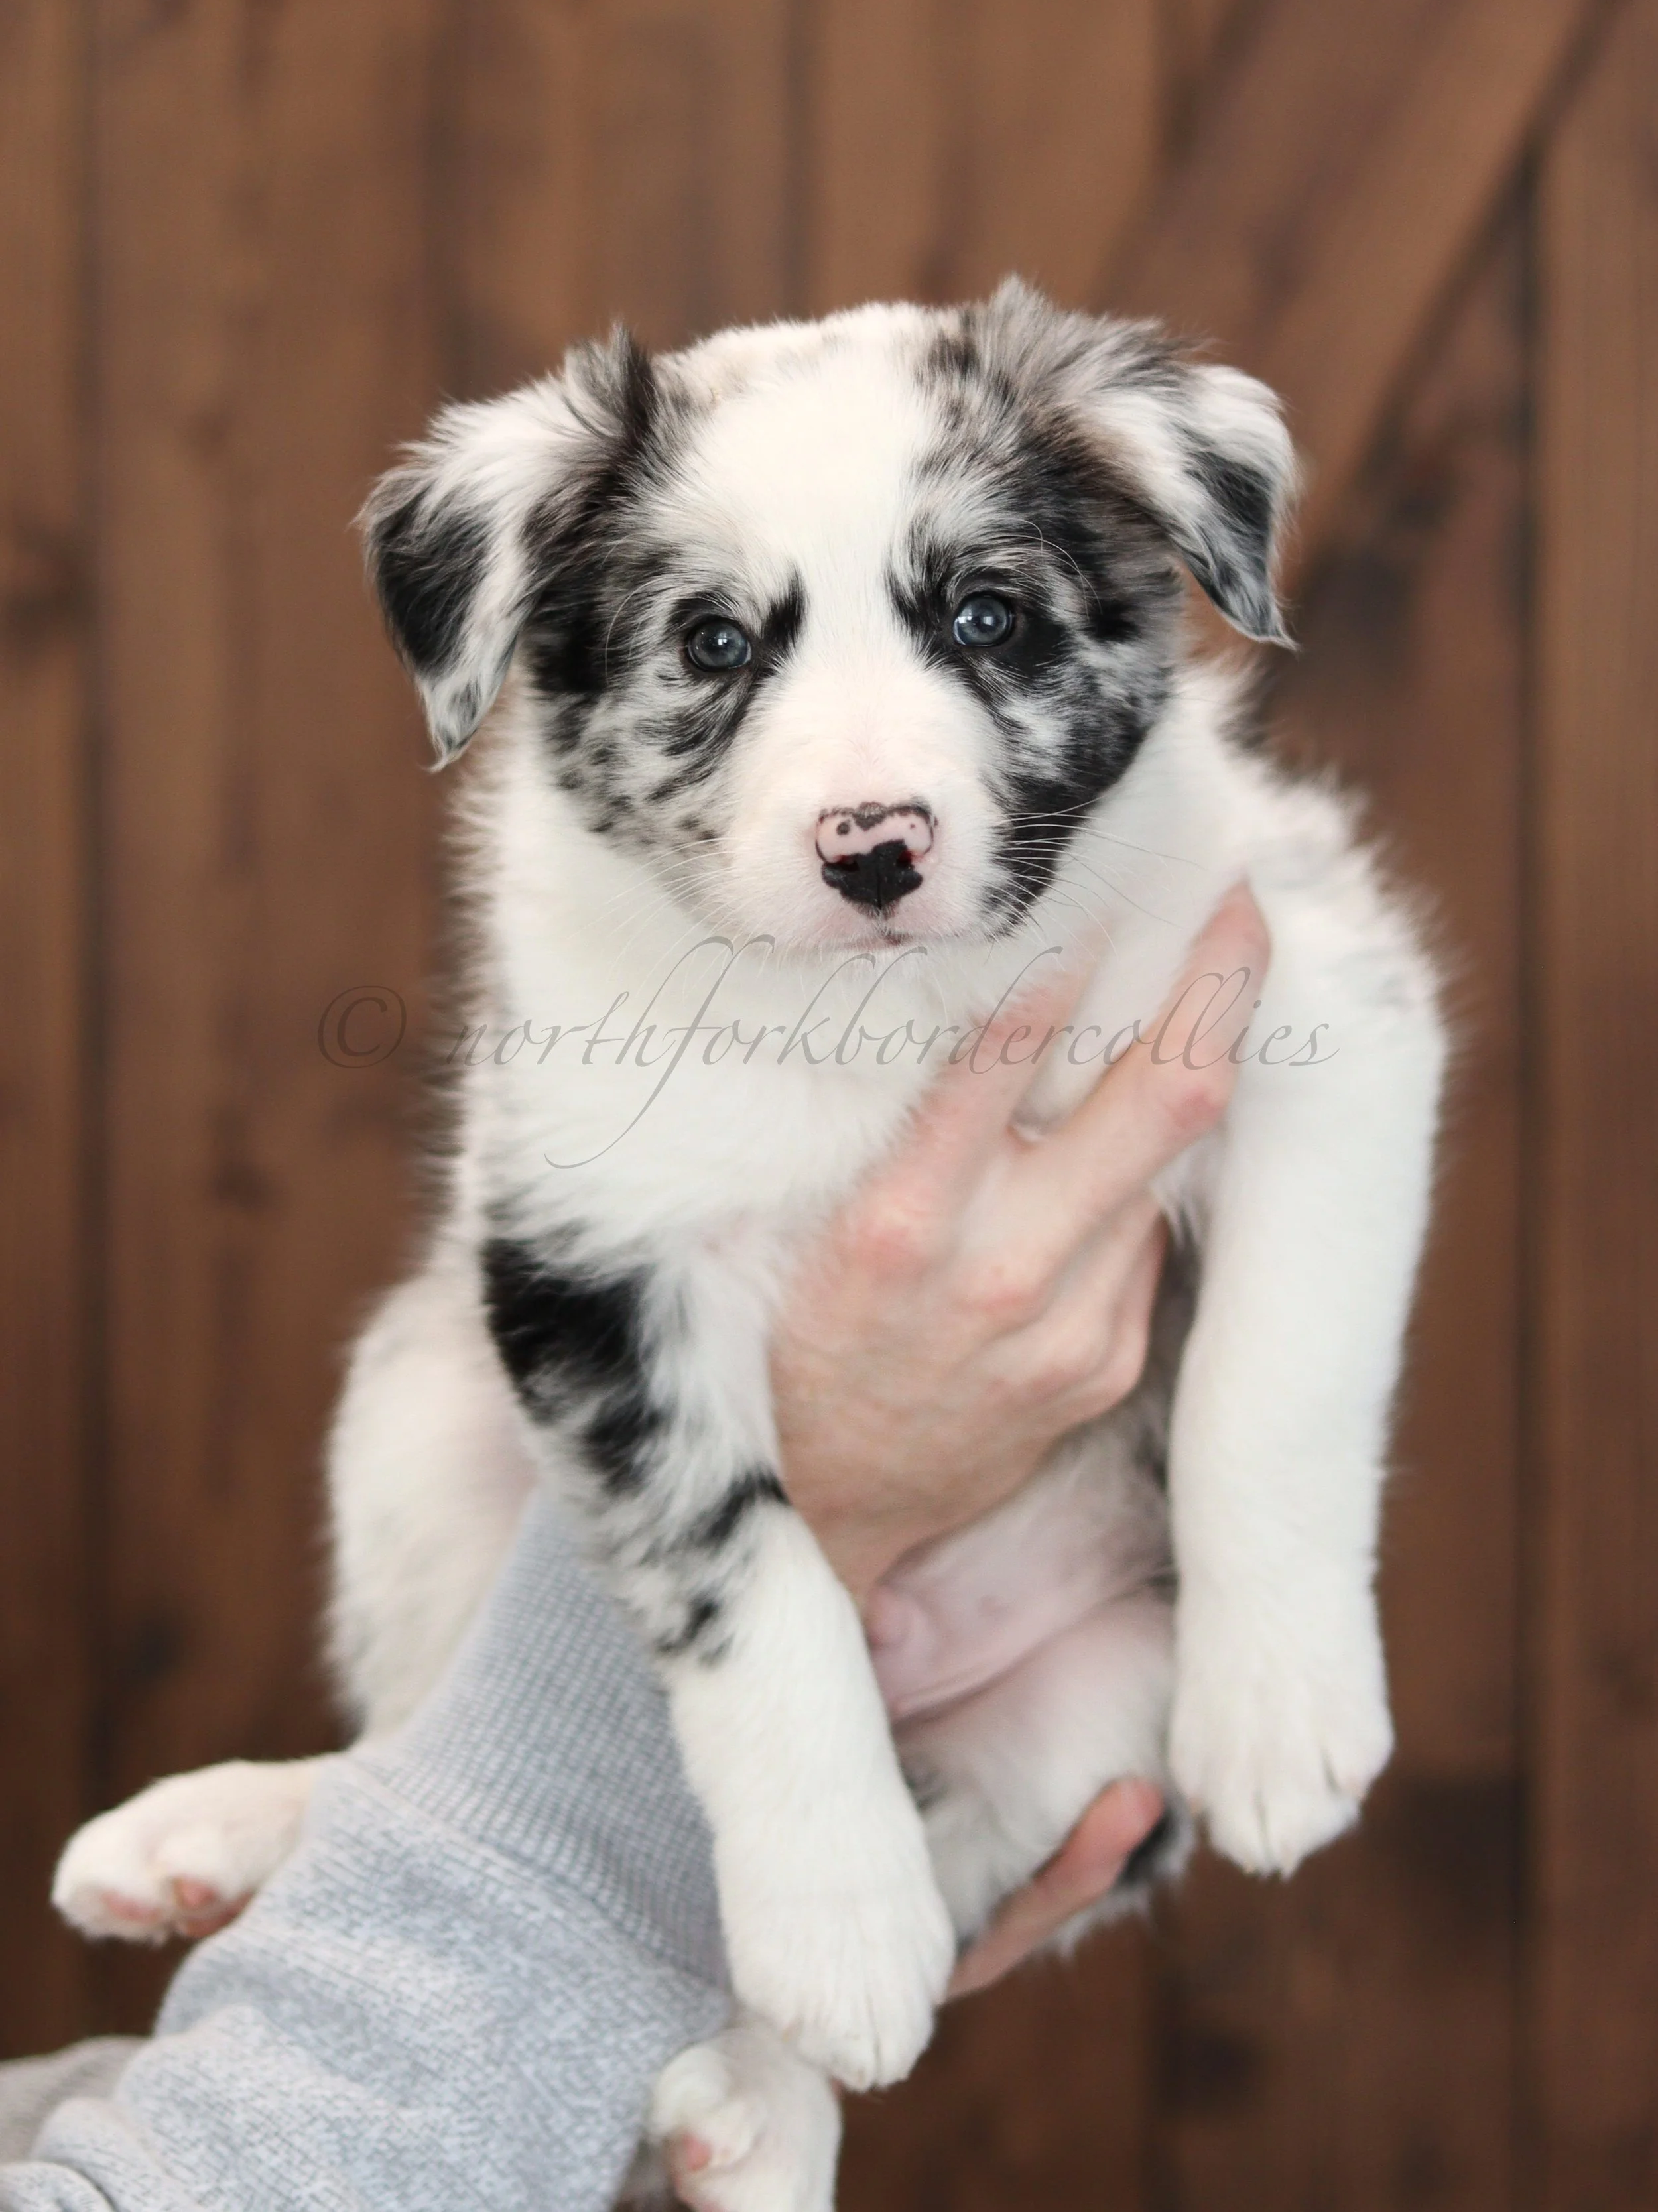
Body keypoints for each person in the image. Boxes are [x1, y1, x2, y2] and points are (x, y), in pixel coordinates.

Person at [0, 892, 1266, 2211]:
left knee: (1102, 1721)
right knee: (432, 1399)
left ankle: (649, 1955)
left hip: (1038, 1612)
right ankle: (436, 1808)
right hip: (656, 1594)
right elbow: (574, 1272)